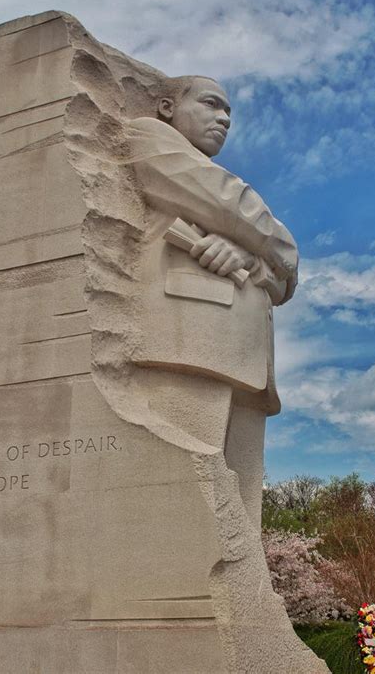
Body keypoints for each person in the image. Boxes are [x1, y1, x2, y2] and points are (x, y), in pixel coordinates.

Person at [121, 75, 299, 528]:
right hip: (188, 340)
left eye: (229, 113)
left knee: (239, 512)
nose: (223, 119)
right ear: (165, 106)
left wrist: (250, 258)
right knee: (184, 509)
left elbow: (280, 285)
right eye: (211, 104)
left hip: (242, 353)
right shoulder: (147, 135)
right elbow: (231, 204)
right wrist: (280, 248)